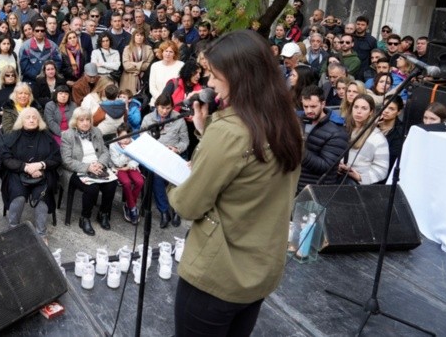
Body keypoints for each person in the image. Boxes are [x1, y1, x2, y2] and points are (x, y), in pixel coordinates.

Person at [168, 30, 303, 336]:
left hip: (218, 275)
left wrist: (174, 181)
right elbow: (249, 173)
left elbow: (189, 205)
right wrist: (206, 131)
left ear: (240, 77)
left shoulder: (229, 132)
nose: (210, 83)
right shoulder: (287, 122)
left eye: (215, 75)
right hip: (259, 270)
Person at [0, 108, 61, 242]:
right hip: (17, 172)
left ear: (39, 120)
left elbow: (56, 158)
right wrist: (26, 167)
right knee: (18, 196)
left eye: (34, 117)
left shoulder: (47, 136)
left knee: (41, 198)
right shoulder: (12, 135)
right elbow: (6, 159)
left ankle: (41, 234)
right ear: (21, 120)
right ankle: (12, 229)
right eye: (28, 117)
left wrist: (41, 165)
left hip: (41, 173)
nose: (31, 120)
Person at [59, 107, 118, 235]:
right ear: (75, 121)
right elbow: (66, 161)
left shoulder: (96, 131)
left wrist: (100, 163)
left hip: (97, 165)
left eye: (88, 120)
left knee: (112, 184)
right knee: (92, 188)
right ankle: (85, 218)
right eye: (81, 120)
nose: (85, 123)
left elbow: (105, 151)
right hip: (76, 169)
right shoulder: (68, 135)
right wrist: (88, 167)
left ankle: (103, 213)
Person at [142, 93, 188, 228]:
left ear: (172, 107)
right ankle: (164, 211)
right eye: (162, 108)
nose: (165, 111)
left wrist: (176, 149)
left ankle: (176, 210)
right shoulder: (148, 119)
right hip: (156, 156)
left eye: (168, 108)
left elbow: (185, 141)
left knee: (178, 177)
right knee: (156, 176)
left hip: (173, 155)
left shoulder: (178, 119)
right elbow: (142, 138)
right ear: (157, 106)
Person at [297, 85, 348, 191]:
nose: (309, 110)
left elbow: (326, 167)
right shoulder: (298, 121)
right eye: (305, 106)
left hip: (317, 189)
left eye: (313, 106)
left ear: (323, 104)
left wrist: (298, 150)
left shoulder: (337, 132)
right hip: (294, 183)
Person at [339, 94, 390, 185]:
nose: (358, 111)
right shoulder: (344, 129)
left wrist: (360, 177)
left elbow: (382, 170)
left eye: (364, 108)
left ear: (371, 112)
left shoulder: (378, 138)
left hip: (357, 185)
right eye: (356, 107)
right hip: (338, 177)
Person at [109, 123, 144, 225]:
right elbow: (117, 163)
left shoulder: (133, 143)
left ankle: (128, 205)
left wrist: (128, 166)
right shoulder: (113, 145)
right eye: (123, 137)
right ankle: (132, 208)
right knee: (126, 182)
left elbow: (136, 159)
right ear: (117, 135)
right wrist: (127, 152)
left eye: (128, 137)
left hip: (130, 167)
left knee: (140, 182)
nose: (125, 140)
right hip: (119, 169)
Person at [148, 41, 184, 107]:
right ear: (162, 52)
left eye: (171, 52)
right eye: (166, 51)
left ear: (174, 54)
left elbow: (181, 87)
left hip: (174, 104)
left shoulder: (181, 65)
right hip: (156, 103)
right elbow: (152, 88)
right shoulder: (155, 66)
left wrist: (169, 102)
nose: (168, 54)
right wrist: (162, 100)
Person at [120, 29, 154, 94]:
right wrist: (141, 65)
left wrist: (133, 64)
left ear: (144, 37)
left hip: (143, 77)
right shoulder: (127, 49)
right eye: (137, 35)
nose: (139, 37)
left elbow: (149, 65)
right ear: (134, 37)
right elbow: (126, 66)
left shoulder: (148, 49)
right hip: (129, 78)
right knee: (127, 96)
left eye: (141, 35)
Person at [377, 95, 405, 174]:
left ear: (398, 112)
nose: (386, 111)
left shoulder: (400, 132)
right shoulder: (373, 123)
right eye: (385, 106)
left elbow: (391, 157)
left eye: (391, 109)